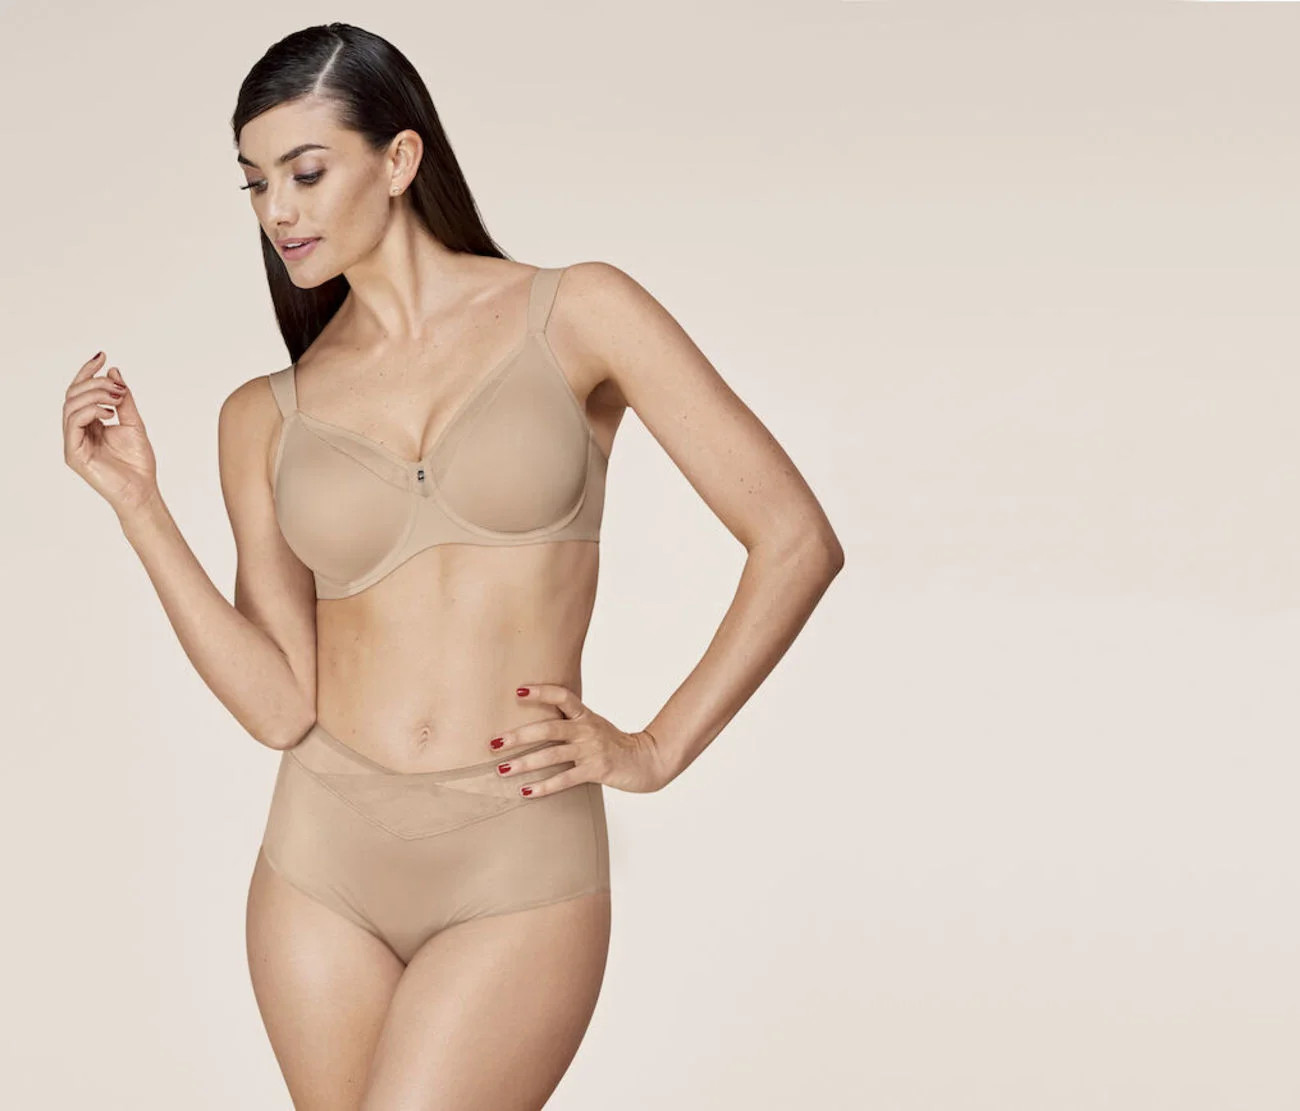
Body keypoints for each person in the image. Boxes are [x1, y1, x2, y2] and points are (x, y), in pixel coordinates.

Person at [60, 22, 843, 1110]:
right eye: (254, 183)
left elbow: (795, 538)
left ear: (399, 159)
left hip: (515, 855)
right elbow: (280, 704)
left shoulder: (581, 312)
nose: (277, 210)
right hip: (320, 858)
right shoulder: (264, 416)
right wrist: (139, 507)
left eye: (304, 171)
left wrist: (657, 747)